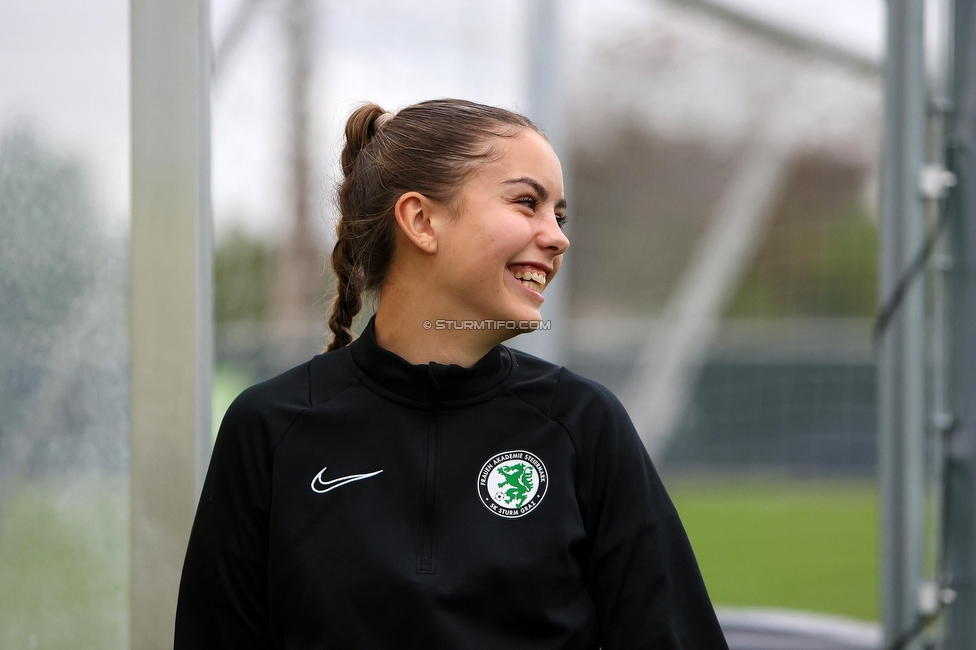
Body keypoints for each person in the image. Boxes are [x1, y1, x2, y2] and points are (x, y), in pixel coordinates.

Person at [175, 98, 729, 649]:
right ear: (421, 221)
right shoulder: (271, 428)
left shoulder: (583, 424)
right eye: (527, 203)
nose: (558, 237)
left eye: (558, 216)